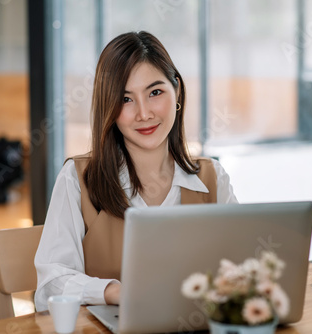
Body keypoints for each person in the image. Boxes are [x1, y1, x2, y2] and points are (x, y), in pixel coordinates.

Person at [34, 31, 238, 312]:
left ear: (176, 91)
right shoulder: (78, 180)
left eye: (155, 93)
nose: (144, 114)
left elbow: (242, 268)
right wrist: (115, 291)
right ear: (109, 107)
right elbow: (50, 286)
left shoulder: (212, 178)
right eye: (126, 99)